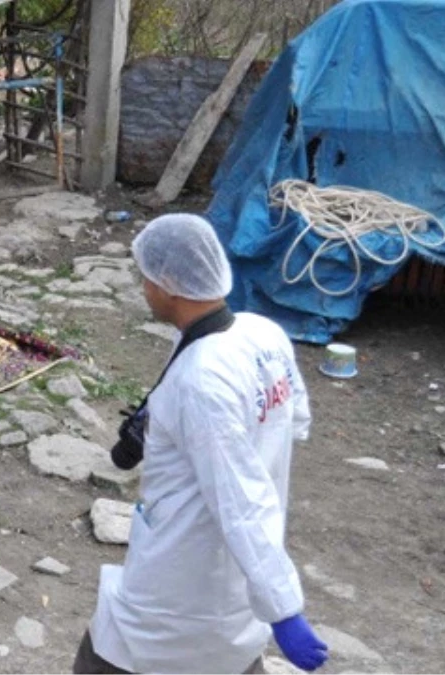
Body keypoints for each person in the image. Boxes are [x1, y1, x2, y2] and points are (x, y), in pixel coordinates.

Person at [76, 214, 328, 675]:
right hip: (233, 576)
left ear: (169, 284)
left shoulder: (201, 380)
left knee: (108, 659)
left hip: (186, 575)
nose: (143, 288)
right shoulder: (261, 334)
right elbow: (297, 420)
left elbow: (240, 500)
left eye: (146, 278)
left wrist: (284, 608)